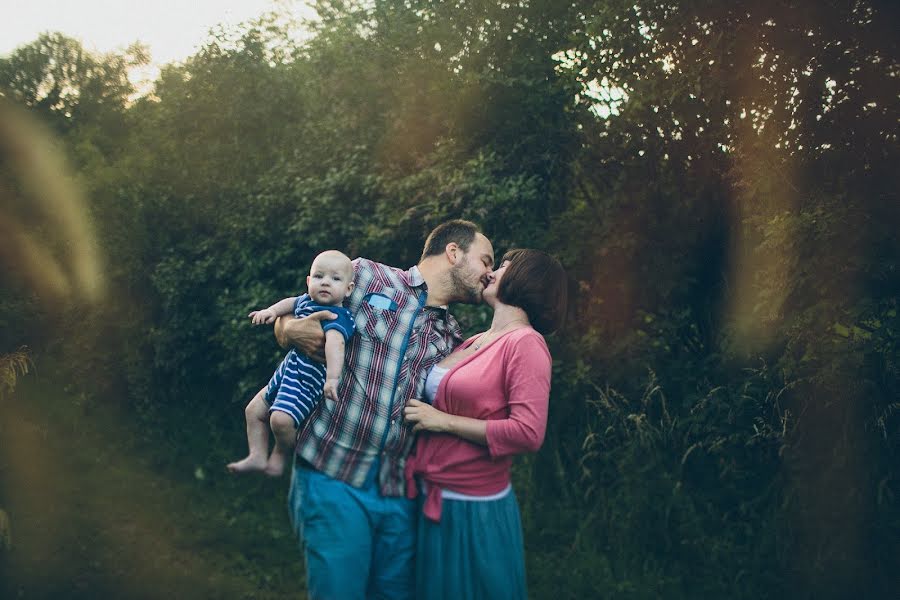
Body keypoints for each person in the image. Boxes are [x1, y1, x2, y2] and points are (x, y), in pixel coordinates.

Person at [275, 220, 494, 600]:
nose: (489, 273)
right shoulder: (365, 275)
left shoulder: (454, 338)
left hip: (401, 493)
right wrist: (286, 330)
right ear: (454, 253)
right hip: (333, 474)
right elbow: (294, 316)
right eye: (486, 260)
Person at [403, 248, 568, 600]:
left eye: (506, 265)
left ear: (527, 279)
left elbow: (528, 432)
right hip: (436, 496)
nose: (494, 269)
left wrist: (443, 422)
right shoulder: (476, 339)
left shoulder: (526, 344)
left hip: (472, 509)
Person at [227, 250, 355, 477]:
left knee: (280, 420)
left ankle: (281, 453)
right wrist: (270, 311)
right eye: (318, 276)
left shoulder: (337, 315)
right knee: (253, 410)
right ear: (308, 281)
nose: (325, 282)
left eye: (335, 279)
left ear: (348, 289)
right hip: (288, 370)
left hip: (309, 378)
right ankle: (256, 456)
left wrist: (332, 379)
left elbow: (336, 345)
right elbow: (289, 303)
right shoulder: (306, 301)